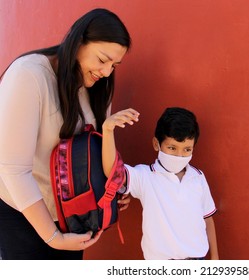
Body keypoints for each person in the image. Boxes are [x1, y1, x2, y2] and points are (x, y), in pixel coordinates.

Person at [0, 8, 132, 260]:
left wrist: (115, 185)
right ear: (78, 40)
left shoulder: (99, 86)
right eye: (102, 59)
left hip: (73, 213)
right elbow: (13, 169)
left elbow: (95, 148)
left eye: (114, 65)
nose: (106, 72)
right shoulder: (29, 75)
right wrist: (53, 237)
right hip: (22, 213)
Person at [102, 107, 219, 260]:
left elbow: (207, 218)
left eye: (187, 149)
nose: (179, 155)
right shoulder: (145, 176)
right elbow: (113, 172)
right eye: (172, 148)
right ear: (156, 144)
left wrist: (215, 257)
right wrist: (108, 130)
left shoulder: (198, 177)